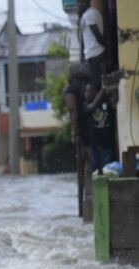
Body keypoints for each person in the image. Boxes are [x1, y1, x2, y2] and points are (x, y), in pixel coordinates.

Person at [63, 64, 90, 217]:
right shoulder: (89, 85)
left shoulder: (71, 90)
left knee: (83, 166)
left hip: (83, 133)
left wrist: (76, 133)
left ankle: (83, 208)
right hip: (96, 129)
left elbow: (73, 111)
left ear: (72, 76)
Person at [84, 82, 116, 175]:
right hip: (95, 145)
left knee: (108, 171)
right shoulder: (86, 104)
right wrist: (103, 90)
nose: (86, 93)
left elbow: (114, 106)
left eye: (88, 91)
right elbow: (91, 108)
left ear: (95, 92)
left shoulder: (107, 101)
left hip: (108, 144)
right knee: (95, 173)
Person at [78, 0, 105, 86]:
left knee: (96, 84)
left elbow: (97, 34)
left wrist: (105, 48)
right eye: (78, 2)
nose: (80, 4)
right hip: (93, 54)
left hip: (95, 54)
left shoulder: (90, 15)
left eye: (81, 2)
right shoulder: (87, 14)